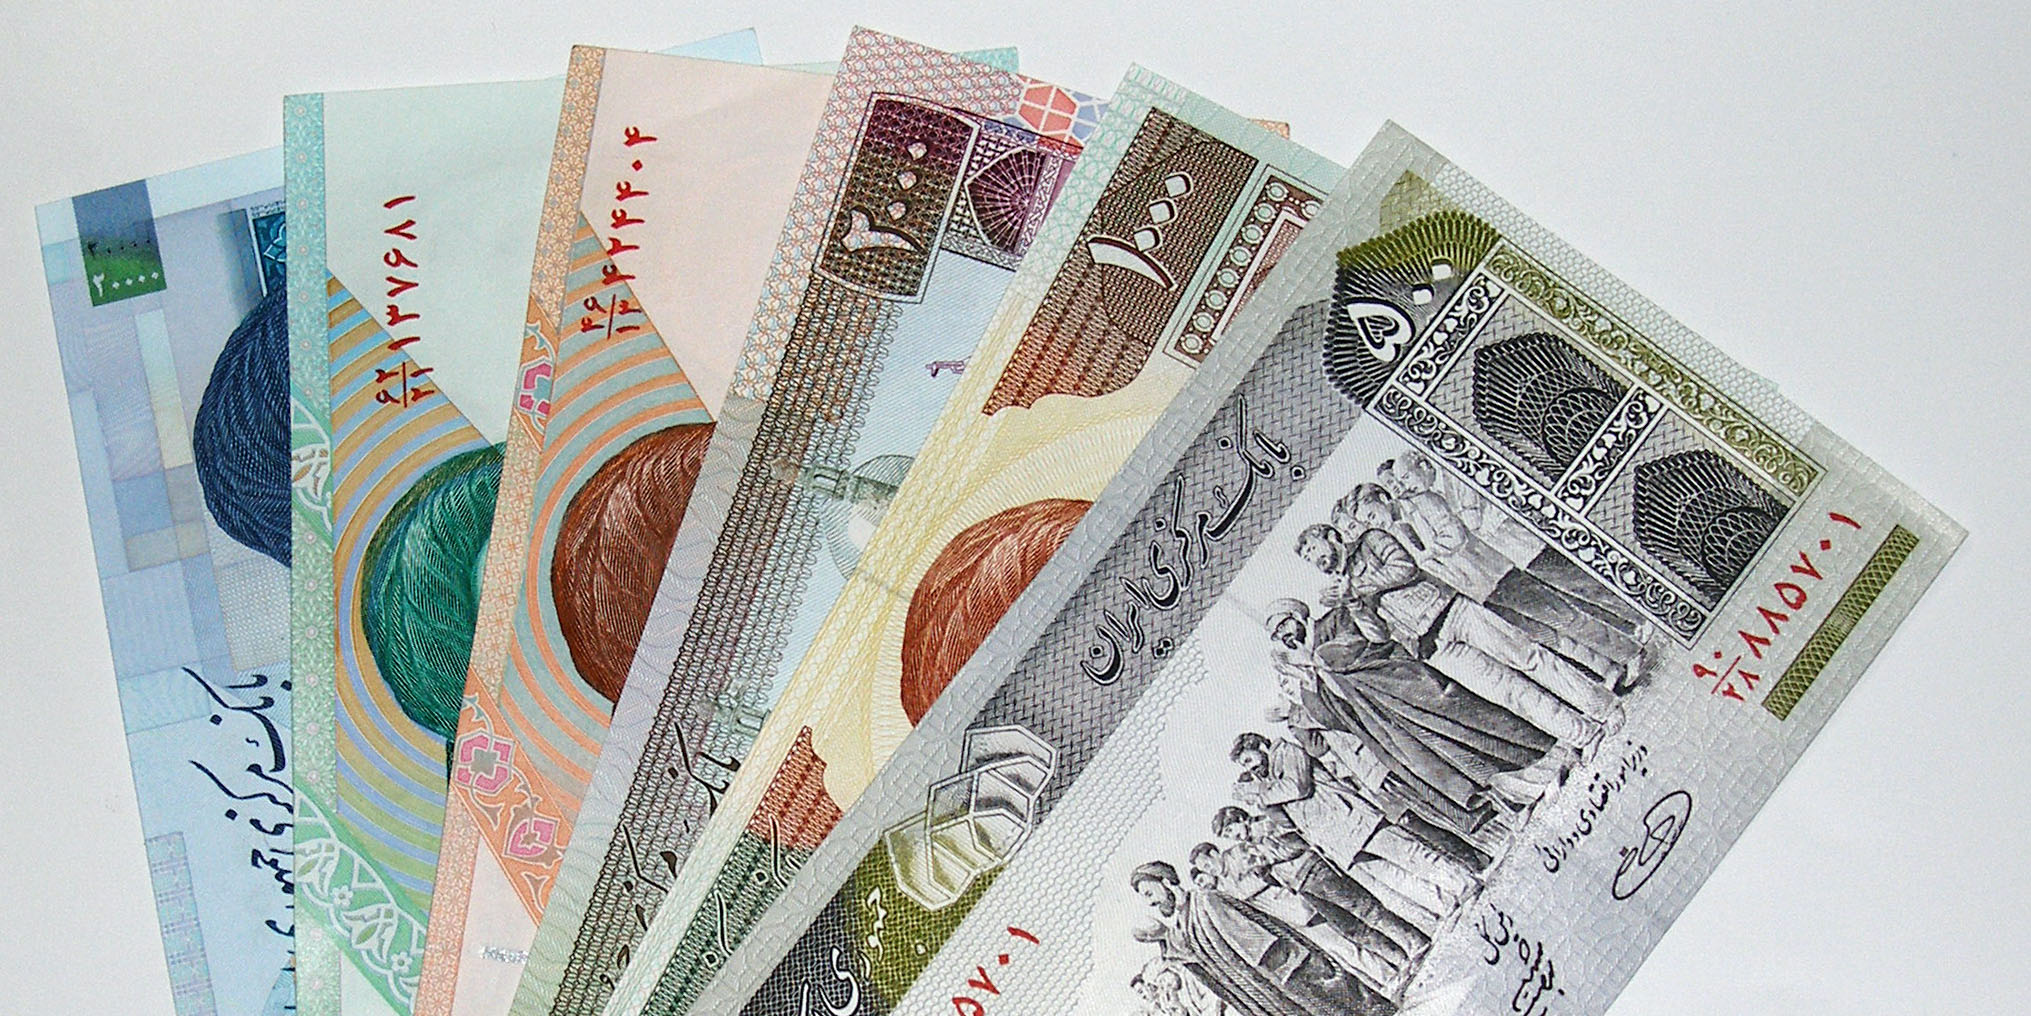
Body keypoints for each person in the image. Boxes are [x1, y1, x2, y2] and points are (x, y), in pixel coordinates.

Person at [1293, 521, 1620, 749]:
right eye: (1307, 558)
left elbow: (1404, 567)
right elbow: (1379, 637)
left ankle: (1603, 708)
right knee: (1506, 692)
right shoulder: (1344, 589)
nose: (1313, 558)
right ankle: (1582, 734)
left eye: (1312, 548)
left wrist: (1358, 587)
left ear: (1330, 536)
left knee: (1529, 657)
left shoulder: (1370, 541)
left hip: (1453, 610)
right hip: (1431, 647)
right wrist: (1354, 605)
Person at [1262, 597, 1569, 827]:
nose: (1283, 635)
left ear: (1296, 616)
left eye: (1282, 625)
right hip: (1387, 721)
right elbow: (1332, 718)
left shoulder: (1336, 620)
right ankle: (1517, 795)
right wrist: (1309, 683)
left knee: (1473, 729)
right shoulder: (1308, 668)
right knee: (1446, 758)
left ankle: (1548, 763)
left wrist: (1314, 660)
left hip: (1409, 689)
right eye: (1277, 635)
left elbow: (1356, 648)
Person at [1342, 481, 1643, 685]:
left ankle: (1629, 651)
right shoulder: (1393, 534)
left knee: (1564, 617)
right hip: (1475, 595)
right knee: (1543, 634)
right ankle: (1607, 668)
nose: (1374, 523)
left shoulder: (1422, 502)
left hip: (1495, 575)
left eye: (1372, 514)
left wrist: (1424, 557)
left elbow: (1454, 535)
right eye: (1367, 521)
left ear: (1384, 499)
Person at [1227, 734, 1479, 921]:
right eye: (1245, 766)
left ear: (1261, 746)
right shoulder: (1269, 781)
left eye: (1249, 759)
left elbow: (1298, 787)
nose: (1250, 768)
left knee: (1409, 854)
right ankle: (1445, 903)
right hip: (1335, 837)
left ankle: (1462, 884)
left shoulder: (1285, 752)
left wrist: (1258, 791)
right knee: (1393, 875)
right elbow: (1286, 821)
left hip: (1353, 819)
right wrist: (1260, 799)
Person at [1131, 860, 1392, 1016]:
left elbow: (1258, 941)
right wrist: (1162, 936)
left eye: (1148, 892)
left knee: (1347, 1004)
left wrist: (1286, 971)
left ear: (1166, 882)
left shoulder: (1205, 901)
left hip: (1286, 970)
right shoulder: (1185, 922)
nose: (1150, 902)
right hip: (1268, 986)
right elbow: (1196, 959)